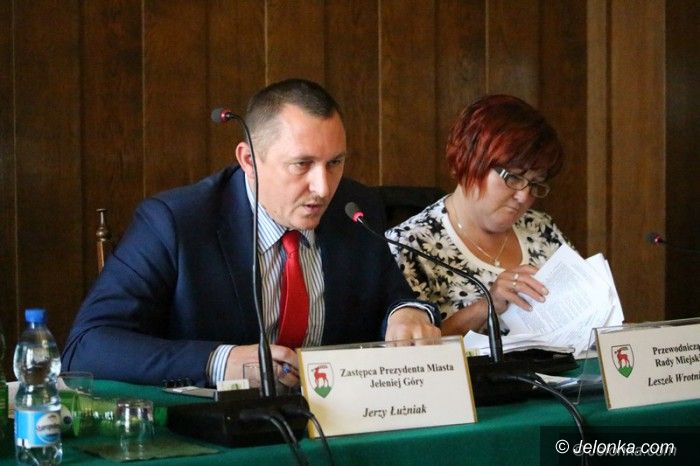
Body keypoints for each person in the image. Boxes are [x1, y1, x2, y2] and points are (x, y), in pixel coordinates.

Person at [62, 78, 440, 387]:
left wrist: (407, 313)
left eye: (335, 163)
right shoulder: (175, 223)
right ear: (248, 160)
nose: (323, 187)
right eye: (301, 164)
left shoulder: (354, 207)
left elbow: (393, 297)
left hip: (332, 423)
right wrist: (219, 362)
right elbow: (87, 346)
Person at [386, 94, 573, 336]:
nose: (523, 196)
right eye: (513, 177)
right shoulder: (409, 245)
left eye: (535, 184)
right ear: (471, 161)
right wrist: (486, 306)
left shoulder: (541, 228)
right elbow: (410, 349)